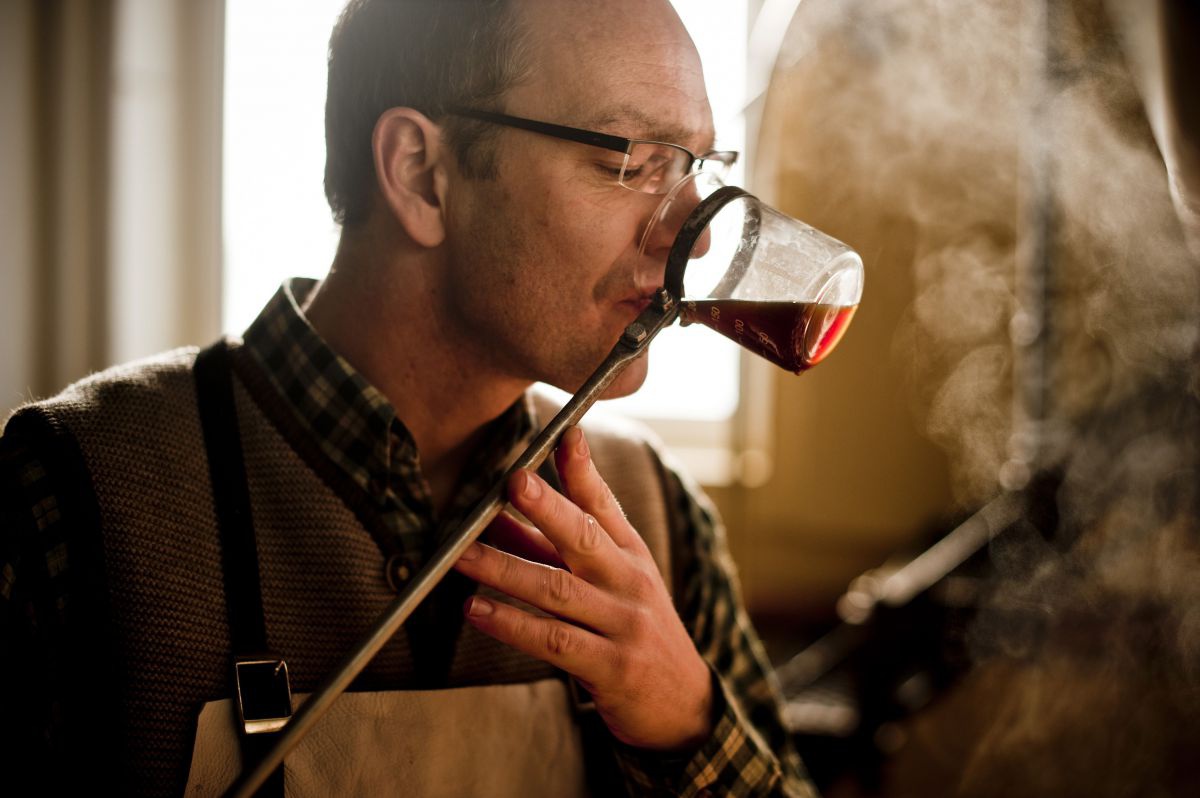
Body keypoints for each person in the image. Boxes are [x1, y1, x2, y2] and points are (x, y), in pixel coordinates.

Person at [0, 0, 816, 794]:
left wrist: (687, 726)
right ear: (421, 174)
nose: (698, 233)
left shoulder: (657, 521)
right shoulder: (73, 493)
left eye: (698, 167)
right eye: (634, 162)